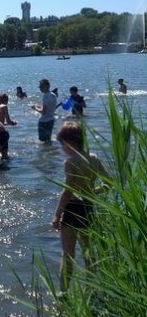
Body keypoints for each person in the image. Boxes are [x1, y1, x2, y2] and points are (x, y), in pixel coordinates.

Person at [51, 122, 109, 291]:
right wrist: (92, 192)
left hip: (73, 209)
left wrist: (57, 215)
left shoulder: (70, 162)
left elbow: (67, 190)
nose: (62, 148)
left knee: (67, 254)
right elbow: (109, 183)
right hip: (88, 207)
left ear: (68, 142)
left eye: (62, 144)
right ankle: (90, 290)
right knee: (88, 252)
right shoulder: (94, 158)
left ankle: (63, 294)